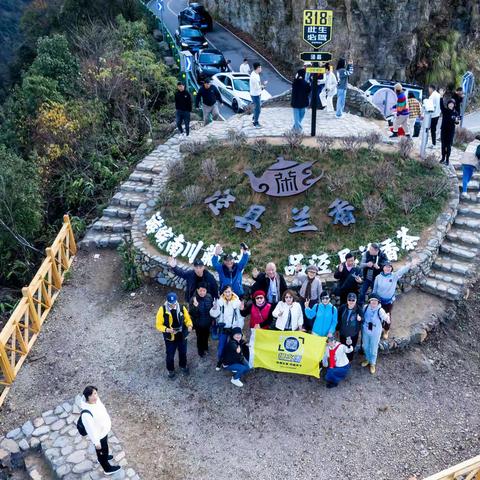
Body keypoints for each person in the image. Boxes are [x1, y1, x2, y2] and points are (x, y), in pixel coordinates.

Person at [80, 386, 121, 476]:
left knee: (105, 447)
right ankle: (107, 468)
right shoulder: (86, 414)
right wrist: (96, 442)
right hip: (98, 436)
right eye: (91, 395)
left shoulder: (96, 401)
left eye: (95, 393)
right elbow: (91, 430)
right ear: (87, 397)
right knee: (101, 450)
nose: (95, 396)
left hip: (103, 431)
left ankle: (103, 457)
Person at [156, 292, 193, 379]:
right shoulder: (162, 310)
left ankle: (183, 366)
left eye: (174, 303)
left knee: (183, 352)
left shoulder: (181, 307)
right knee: (170, 354)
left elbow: (187, 319)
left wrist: (190, 325)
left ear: (176, 301)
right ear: (167, 302)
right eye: (170, 304)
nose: (172, 305)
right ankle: (170, 370)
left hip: (181, 335)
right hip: (170, 337)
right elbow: (158, 325)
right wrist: (167, 330)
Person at [209, 285, 244, 370]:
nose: (227, 294)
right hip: (223, 327)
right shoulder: (219, 302)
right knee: (221, 346)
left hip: (233, 327)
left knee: (233, 346)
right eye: (225, 292)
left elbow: (240, 316)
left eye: (229, 291)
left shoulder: (237, 302)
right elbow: (214, 315)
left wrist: (239, 328)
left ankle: (230, 361)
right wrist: (214, 308)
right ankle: (220, 361)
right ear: (223, 293)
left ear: (232, 292)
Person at [373, 262, 409, 339]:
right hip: (378, 301)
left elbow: (402, 270)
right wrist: (372, 299)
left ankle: (386, 330)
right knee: (378, 316)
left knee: (387, 316)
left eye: (389, 267)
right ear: (383, 267)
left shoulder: (394, 276)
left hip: (388, 301)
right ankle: (378, 329)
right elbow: (374, 290)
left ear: (391, 268)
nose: (387, 268)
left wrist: (410, 264)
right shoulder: (378, 277)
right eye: (386, 266)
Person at [361, 295, 389, 374]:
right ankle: (367, 359)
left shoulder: (380, 310)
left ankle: (372, 363)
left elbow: (385, 317)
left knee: (373, 348)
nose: (373, 302)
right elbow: (361, 314)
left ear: (378, 302)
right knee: (365, 346)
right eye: (372, 300)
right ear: (369, 301)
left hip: (375, 332)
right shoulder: (366, 307)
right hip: (366, 331)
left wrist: (387, 318)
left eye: (375, 300)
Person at [189, 283, 214, 357]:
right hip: (198, 324)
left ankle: (205, 347)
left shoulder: (209, 297)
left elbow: (212, 309)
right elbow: (191, 313)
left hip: (207, 323)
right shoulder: (194, 299)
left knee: (206, 336)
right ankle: (200, 351)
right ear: (197, 290)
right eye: (200, 291)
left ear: (206, 291)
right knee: (200, 338)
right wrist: (195, 306)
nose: (202, 292)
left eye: (204, 290)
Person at [336, 292, 363, 360]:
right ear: (347, 300)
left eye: (353, 300)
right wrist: (337, 329)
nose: (351, 301)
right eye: (349, 300)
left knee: (351, 348)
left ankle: (349, 360)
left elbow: (363, 319)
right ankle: (343, 359)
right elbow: (338, 318)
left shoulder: (358, 309)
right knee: (343, 346)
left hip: (353, 334)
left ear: (356, 300)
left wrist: (360, 319)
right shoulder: (343, 307)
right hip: (343, 333)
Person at [439, 94, 460, 165]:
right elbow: (441, 105)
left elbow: (457, 122)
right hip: (444, 130)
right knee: (443, 145)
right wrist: (441, 97)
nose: (451, 105)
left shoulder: (456, 113)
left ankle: (447, 159)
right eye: (450, 104)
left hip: (451, 131)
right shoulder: (445, 111)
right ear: (448, 104)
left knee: (448, 146)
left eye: (452, 104)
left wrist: (457, 121)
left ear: (454, 105)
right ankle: (442, 158)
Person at [250, 62, 267, 128]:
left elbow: (258, 86)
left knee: (257, 107)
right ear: (257, 68)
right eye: (260, 67)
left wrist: (261, 86)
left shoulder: (256, 74)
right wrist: (263, 85)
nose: (261, 68)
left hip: (257, 94)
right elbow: (257, 87)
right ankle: (255, 123)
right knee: (258, 109)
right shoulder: (254, 77)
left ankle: (254, 118)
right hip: (255, 95)